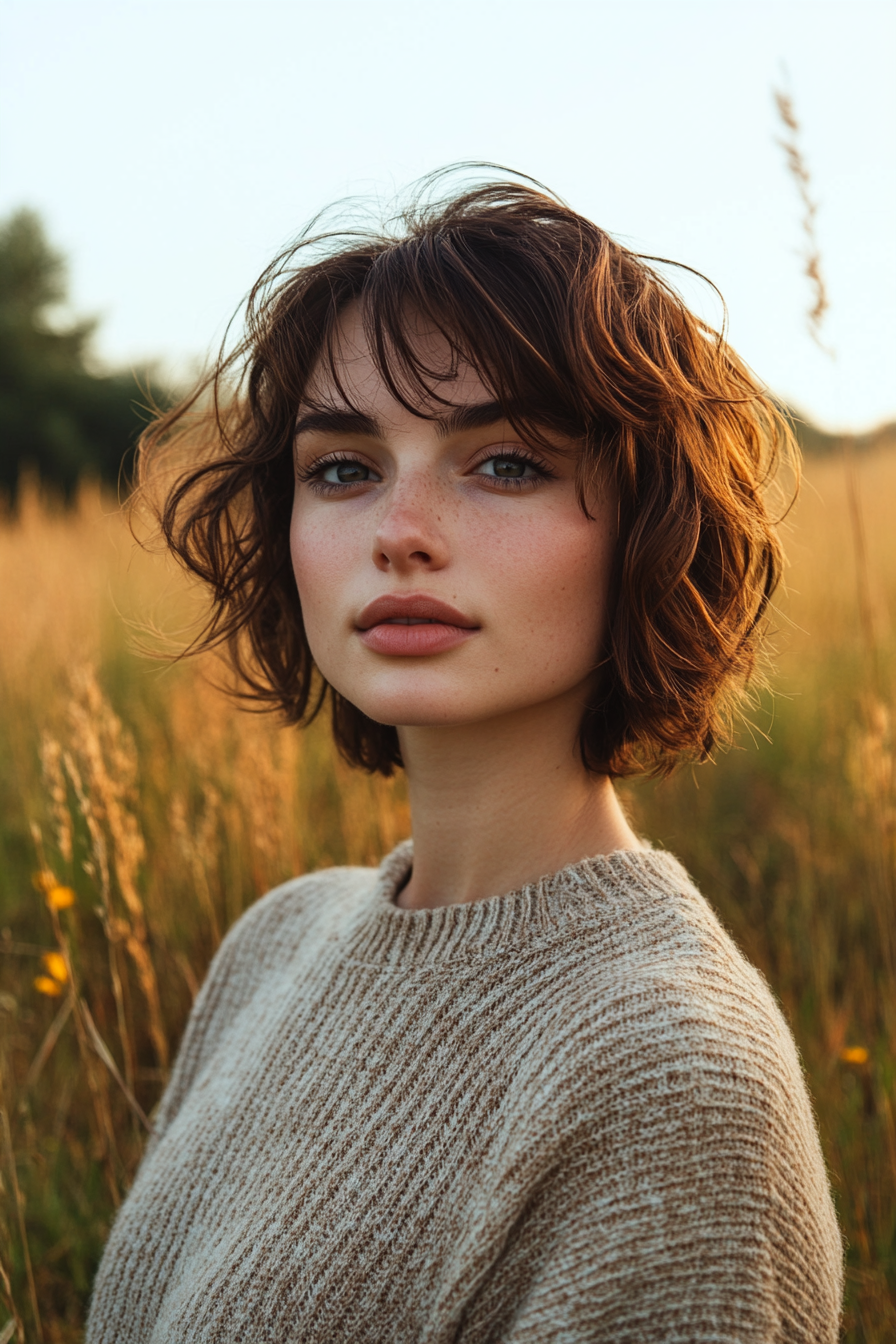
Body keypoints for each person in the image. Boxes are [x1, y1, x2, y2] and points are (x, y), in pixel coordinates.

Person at [86, 173, 843, 1342]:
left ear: (651, 524)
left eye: (503, 463)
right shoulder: (276, 943)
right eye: (342, 467)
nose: (398, 531)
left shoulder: (673, 1082)